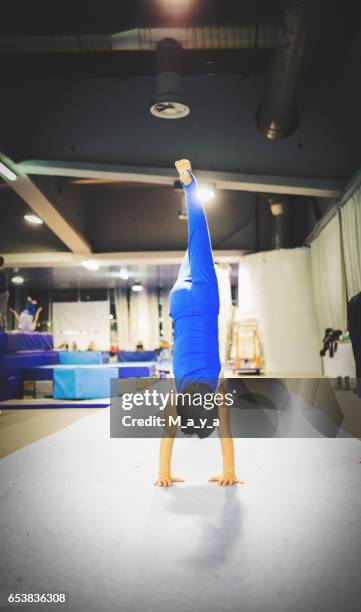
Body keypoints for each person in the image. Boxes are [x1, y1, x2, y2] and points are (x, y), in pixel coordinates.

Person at [155, 160, 243, 487]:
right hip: (178, 302)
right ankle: (188, 184)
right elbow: (167, 435)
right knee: (192, 247)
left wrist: (230, 472)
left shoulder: (215, 391)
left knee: (198, 233)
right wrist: (163, 473)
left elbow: (226, 433)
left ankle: (189, 182)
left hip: (205, 302)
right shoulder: (178, 393)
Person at [0, 256, 9, 332]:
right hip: (4, 293)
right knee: (3, 311)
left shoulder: (2, 272)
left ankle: (3, 326)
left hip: (2, 293)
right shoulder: (3, 272)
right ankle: (3, 326)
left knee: (2, 311)